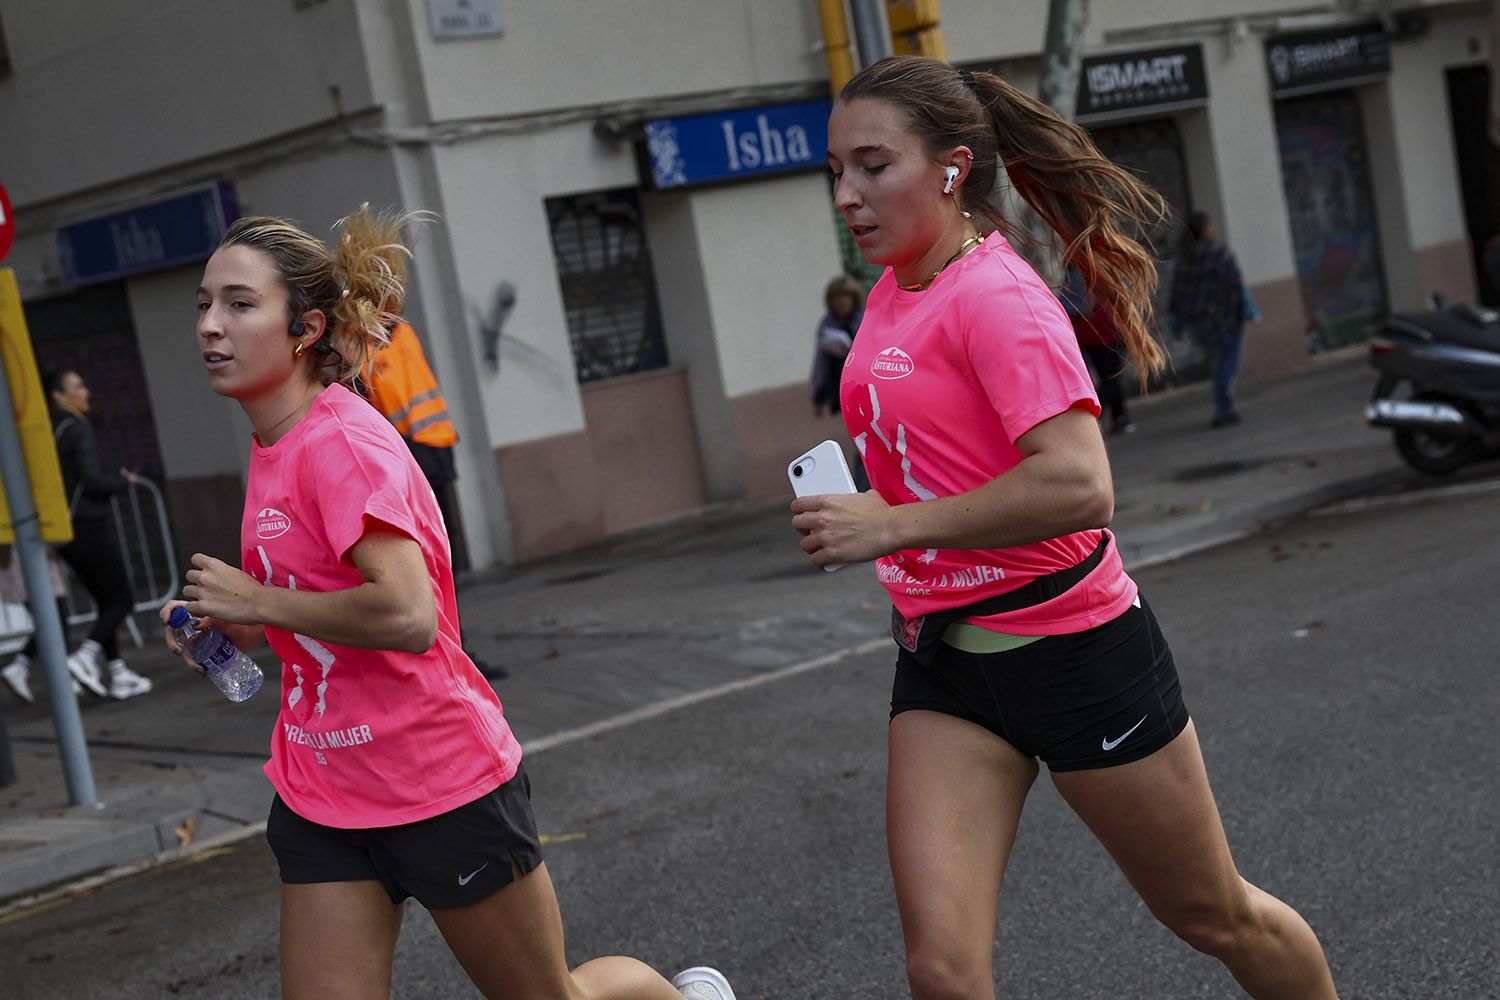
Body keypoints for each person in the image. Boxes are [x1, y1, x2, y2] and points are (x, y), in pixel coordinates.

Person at [795, 56, 1337, 999]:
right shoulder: (890, 290)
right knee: (941, 971)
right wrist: (874, 516)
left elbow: (1082, 486)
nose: (848, 195)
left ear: (953, 168)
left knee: (1214, 915)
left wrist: (892, 524)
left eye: (873, 167)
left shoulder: (997, 298)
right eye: (837, 171)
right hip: (945, 663)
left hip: (1075, 651)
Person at [162, 207, 734, 1000]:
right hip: (325, 788)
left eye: (238, 303)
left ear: (305, 328)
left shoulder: (340, 444)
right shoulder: (275, 446)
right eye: (203, 304)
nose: (209, 325)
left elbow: (407, 615)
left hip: (436, 780)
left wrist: (258, 598)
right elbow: (310, 606)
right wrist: (238, 624)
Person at [364, 320, 506, 679]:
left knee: (443, 560)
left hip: (433, 447)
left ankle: (455, 653)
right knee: (427, 564)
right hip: (410, 452)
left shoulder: (397, 331)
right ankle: (447, 658)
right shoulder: (360, 342)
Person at [0, 370, 155, 702]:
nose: (86, 392)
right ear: (59, 395)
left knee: (105, 600)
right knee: (121, 598)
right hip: (87, 524)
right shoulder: (77, 429)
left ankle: (117, 671)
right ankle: (85, 658)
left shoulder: (46, 430)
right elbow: (92, 481)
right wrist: (122, 482)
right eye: (78, 386)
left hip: (62, 531)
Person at [1171, 210, 1247, 428]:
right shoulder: (1219, 253)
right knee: (1227, 361)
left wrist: (1178, 320)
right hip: (1225, 318)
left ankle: (1223, 406)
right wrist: (1241, 311)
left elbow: (1177, 292)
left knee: (1216, 361)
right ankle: (1224, 406)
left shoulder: (1185, 258)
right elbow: (1235, 284)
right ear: (1205, 230)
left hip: (1199, 322)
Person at [1059, 265, 1135, 435]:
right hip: (1100, 331)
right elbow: (1086, 305)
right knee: (1111, 376)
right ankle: (1103, 414)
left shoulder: (1072, 274)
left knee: (1108, 375)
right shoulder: (1084, 272)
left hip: (1091, 332)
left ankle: (1119, 416)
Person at [811, 275, 863, 417]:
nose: (841, 301)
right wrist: (818, 396)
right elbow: (820, 361)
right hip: (838, 385)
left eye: (846, 296)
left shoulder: (864, 319)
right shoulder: (827, 324)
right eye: (837, 297)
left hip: (862, 384)